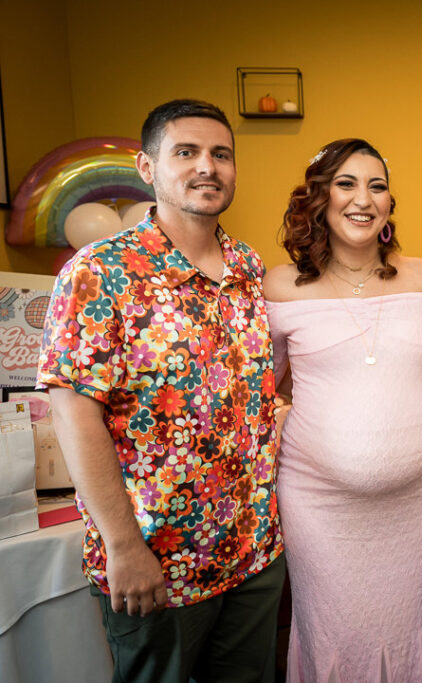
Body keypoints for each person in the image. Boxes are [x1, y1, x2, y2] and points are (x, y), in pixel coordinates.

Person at [37, 99, 285, 682]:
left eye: (221, 154)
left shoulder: (249, 267)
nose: (208, 166)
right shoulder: (100, 271)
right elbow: (75, 417)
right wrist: (124, 547)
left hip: (253, 551)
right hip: (157, 562)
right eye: (186, 152)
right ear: (148, 169)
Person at [264, 138, 422, 681]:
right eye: (346, 184)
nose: (362, 199)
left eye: (376, 186)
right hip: (319, 503)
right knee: (332, 628)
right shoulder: (280, 285)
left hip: (415, 502)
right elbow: (261, 384)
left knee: (407, 620)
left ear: (390, 204)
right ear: (318, 198)